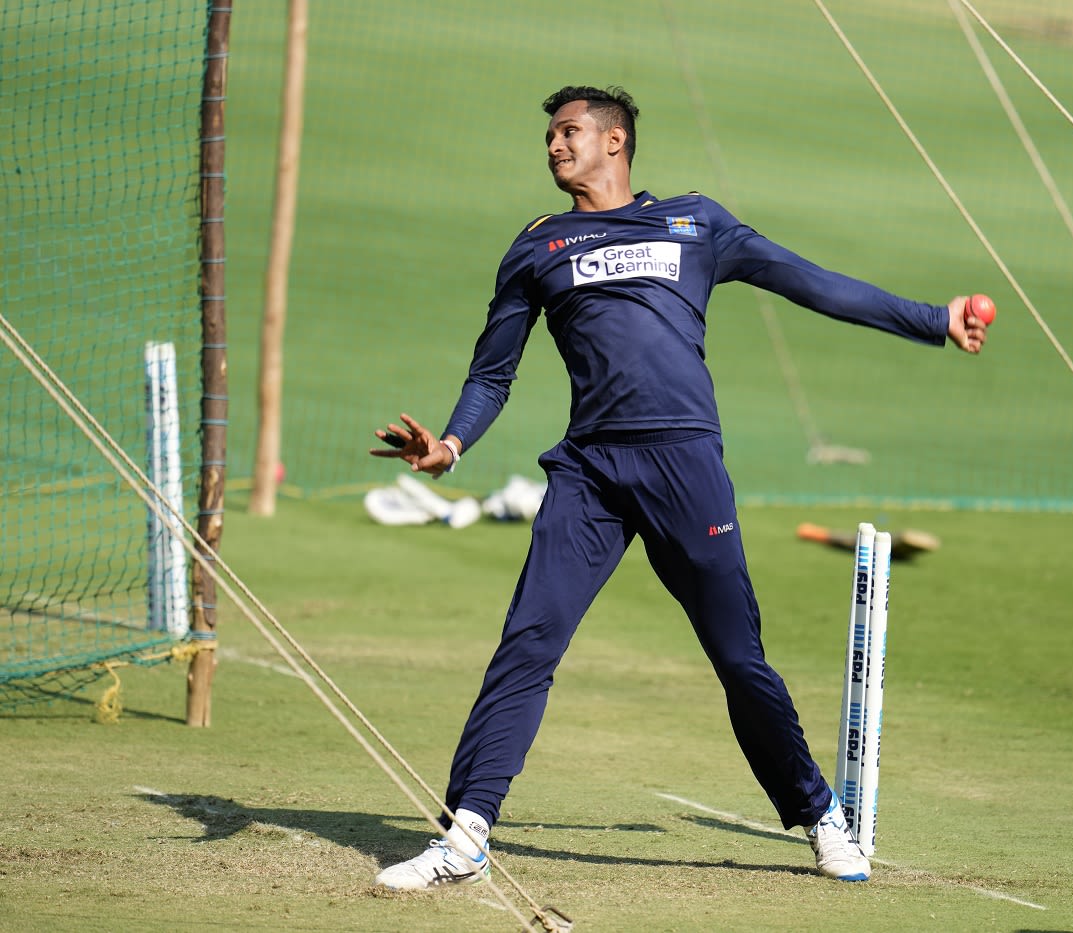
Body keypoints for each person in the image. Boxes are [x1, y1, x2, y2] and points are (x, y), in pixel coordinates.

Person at [369, 84, 989, 890]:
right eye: (550, 136)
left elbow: (811, 282)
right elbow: (493, 373)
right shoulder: (537, 247)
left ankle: (819, 814)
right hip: (589, 471)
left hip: (684, 464)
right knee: (528, 640)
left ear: (615, 141)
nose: (554, 147)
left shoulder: (696, 222)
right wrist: (449, 445)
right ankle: (467, 833)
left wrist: (932, 319)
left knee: (738, 658)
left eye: (569, 133)